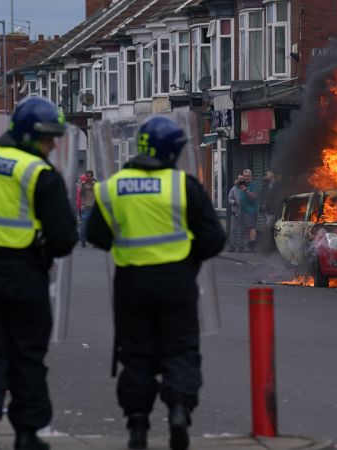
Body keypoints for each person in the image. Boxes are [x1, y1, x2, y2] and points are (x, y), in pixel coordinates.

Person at [87, 115, 225, 450]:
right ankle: (178, 409)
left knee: (136, 354)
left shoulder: (112, 187)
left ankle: (137, 424)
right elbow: (214, 238)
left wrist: (126, 241)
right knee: (180, 350)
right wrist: (188, 257)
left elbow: (94, 235)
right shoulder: (183, 186)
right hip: (176, 281)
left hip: (131, 282)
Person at [0, 97, 78, 450]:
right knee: (26, 357)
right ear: (29, 135)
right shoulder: (39, 173)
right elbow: (65, 239)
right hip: (25, 274)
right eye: (48, 138)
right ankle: (26, 434)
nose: (53, 145)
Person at [238, 169, 259, 252]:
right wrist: (239, 179)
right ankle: (248, 245)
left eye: (247, 176)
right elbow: (235, 183)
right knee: (246, 228)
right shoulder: (242, 184)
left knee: (251, 227)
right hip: (242, 210)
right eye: (244, 176)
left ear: (251, 176)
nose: (246, 178)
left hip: (250, 210)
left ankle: (252, 247)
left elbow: (254, 197)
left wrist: (246, 190)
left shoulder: (254, 184)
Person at [78, 170, 96, 248]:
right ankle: (83, 240)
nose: (89, 178)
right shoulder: (83, 184)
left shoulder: (96, 184)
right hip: (86, 208)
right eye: (87, 176)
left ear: (92, 176)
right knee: (83, 226)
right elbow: (80, 194)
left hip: (94, 209)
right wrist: (82, 185)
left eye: (90, 176)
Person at [227, 174, 245, 252]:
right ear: (237, 179)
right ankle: (232, 247)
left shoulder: (244, 188)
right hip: (235, 212)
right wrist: (234, 202)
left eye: (242, 179)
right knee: (233, 230)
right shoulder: (233, 189)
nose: (240, 180)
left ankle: (241, 247)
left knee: (241, 230)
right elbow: (229, 199)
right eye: (239, 179)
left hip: (243, 212)